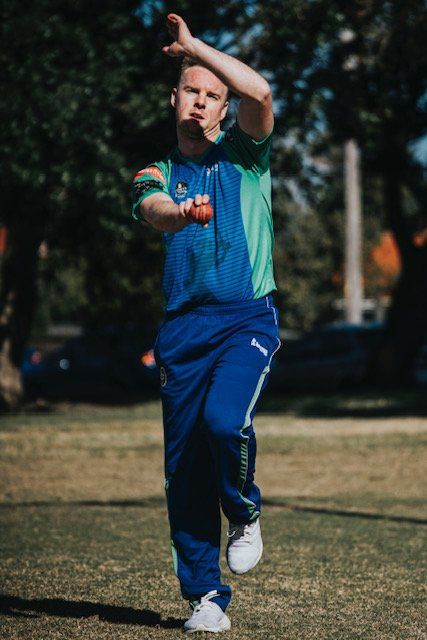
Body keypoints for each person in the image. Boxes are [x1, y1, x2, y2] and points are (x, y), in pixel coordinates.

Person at [131, 13, 280, 634]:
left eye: (212, 94)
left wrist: (195, 48)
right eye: (190, 90)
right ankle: (205, 598)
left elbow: (261, 93)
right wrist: (181, 213)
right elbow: (154, 209)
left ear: (223, 108)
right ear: (174, 99)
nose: (200, 101)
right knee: (184, 470)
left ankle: (244, 512)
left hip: (246, 319)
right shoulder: (156, 171)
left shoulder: (245, 154)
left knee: (225, 421)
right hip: (182, 332)